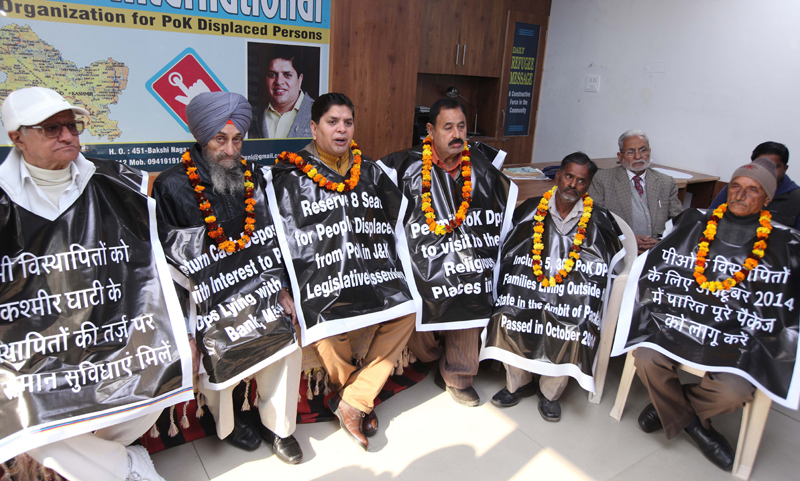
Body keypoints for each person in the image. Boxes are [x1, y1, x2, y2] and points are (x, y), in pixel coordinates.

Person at [0, 87, 169, 480]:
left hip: (109, 330)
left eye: (71, 126)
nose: (67, 135)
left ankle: (104, 458)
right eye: (51, 128)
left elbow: (150, 254)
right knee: (18, 405)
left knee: (162, 366)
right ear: (17, 138)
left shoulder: (113, 180)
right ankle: (123, 467)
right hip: (34, 347)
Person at [152, 92, 303, 464]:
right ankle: (230, 424)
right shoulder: (171, 185)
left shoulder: (251, 176)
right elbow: (166, 263)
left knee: (287, 333)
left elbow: (273, 236)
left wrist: (282, 287)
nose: (230, 150)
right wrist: (182, 330)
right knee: (215, 337)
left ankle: (278, 426)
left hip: (258, 285)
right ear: (202, 138)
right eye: (221, 139)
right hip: (203, 297)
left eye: (237, 140)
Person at [268, 93, 417, 451]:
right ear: (314, 127)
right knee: (321, 319)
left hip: (369, 270)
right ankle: (358, 396)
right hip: (320, 279)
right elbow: (275, 234)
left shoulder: (368, 170)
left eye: (347, 123)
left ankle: (350, 399)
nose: (341, 130)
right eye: (332, 122)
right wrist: (283, 285)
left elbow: (396, 219)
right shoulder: (287, 173)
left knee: (409, 310)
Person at [633, 157, 783, 471]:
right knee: (646, 355)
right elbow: (665, 268)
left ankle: (671, 409)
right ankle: (698, 429)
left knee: (734, 392)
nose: (740, 195)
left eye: (752, 190)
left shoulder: (780, 244)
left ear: (767, 198)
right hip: (683, 321)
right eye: (736, 187)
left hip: (735, 335)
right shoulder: (696, 223)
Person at [380, 98, 515, 407]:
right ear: (430, 130)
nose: (457, 134)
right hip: (421, 263)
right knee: (412, 305)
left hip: (467, 261)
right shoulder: (404, 166)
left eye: (462, 126)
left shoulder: (483, 167)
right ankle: (434, 355)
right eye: (448, 127)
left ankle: (458, 374)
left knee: (473, 288)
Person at [484, 153, 621, 422]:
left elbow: (608, 262)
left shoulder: (599, 218)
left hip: (573, 295)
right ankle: (518, 384)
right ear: (558, 176)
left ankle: (550, 393)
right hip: (529, 286)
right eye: (569, 176)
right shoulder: (532, 208)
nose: (573, 185)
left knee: (577, 325)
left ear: (588, 185)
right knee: (506, 314)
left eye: (581, 181)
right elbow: (511, 249)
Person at [588, 129, 682, 254]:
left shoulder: (666, 182)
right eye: (630, 152)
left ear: (649, 152)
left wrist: (660, 241)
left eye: (643, 150)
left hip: (657, 251)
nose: (638, 157)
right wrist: (626, 239)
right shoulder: (603, 180)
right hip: (618, 250)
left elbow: (678, 221)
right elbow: (594, 220)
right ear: (620, 156)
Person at [708, 141, 800, 230]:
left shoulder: (796, 198)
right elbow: (709, 218)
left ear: (785, 169)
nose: (767, 171)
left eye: (774, 166)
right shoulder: (735, 189)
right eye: (761, 165)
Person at [251, 46, 314, 139]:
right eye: (272, 75)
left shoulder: (319, 113)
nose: (279, 81)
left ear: (300, 79)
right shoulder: (254, 115)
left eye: (287, 75)